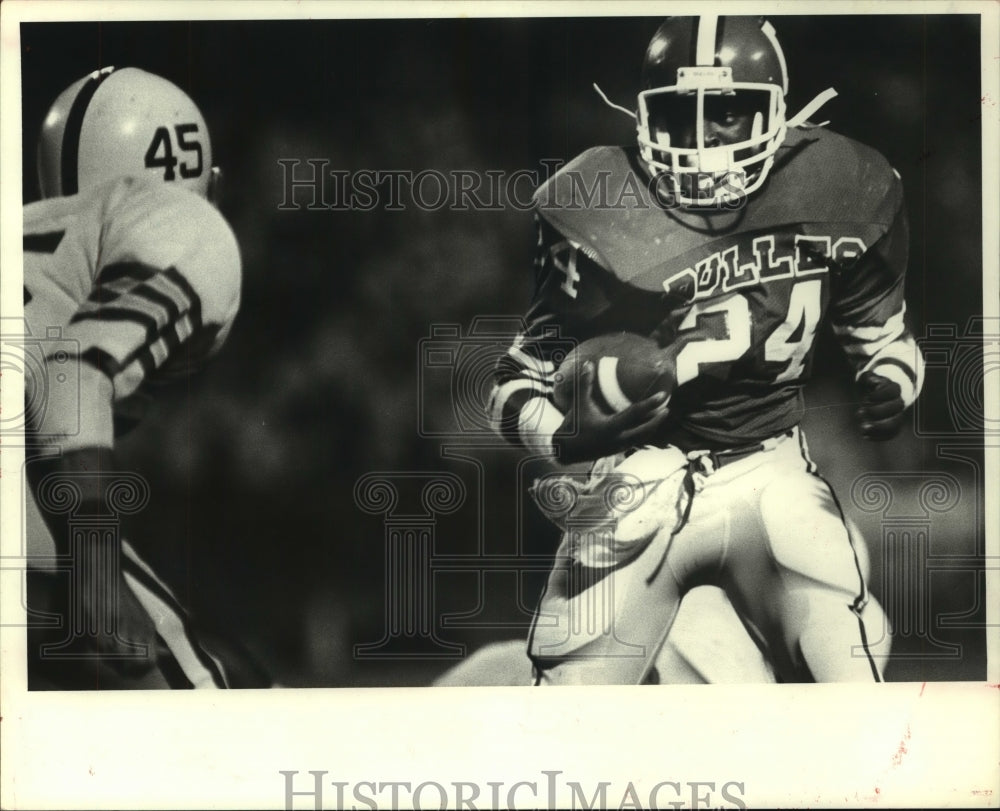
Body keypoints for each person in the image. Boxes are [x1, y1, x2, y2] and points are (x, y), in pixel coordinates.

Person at [488, 15, 924, 684]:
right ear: (642, 119)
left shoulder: (844, 183)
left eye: (727, 111)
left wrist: (890, 378)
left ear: (774, 113)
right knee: (570, 701)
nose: (703, 138)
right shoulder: (596, 202)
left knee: (849, 663)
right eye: (680, 117)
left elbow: (882, 336)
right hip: (638, 475)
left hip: (770, 464)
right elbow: (514, 380)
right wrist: (564, 440)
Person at [22, 66, 266, 688]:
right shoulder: (189, 225)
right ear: (202, 180)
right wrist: (98, 576)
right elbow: (72, 371)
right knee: (199, 713)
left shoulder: (40, 235)